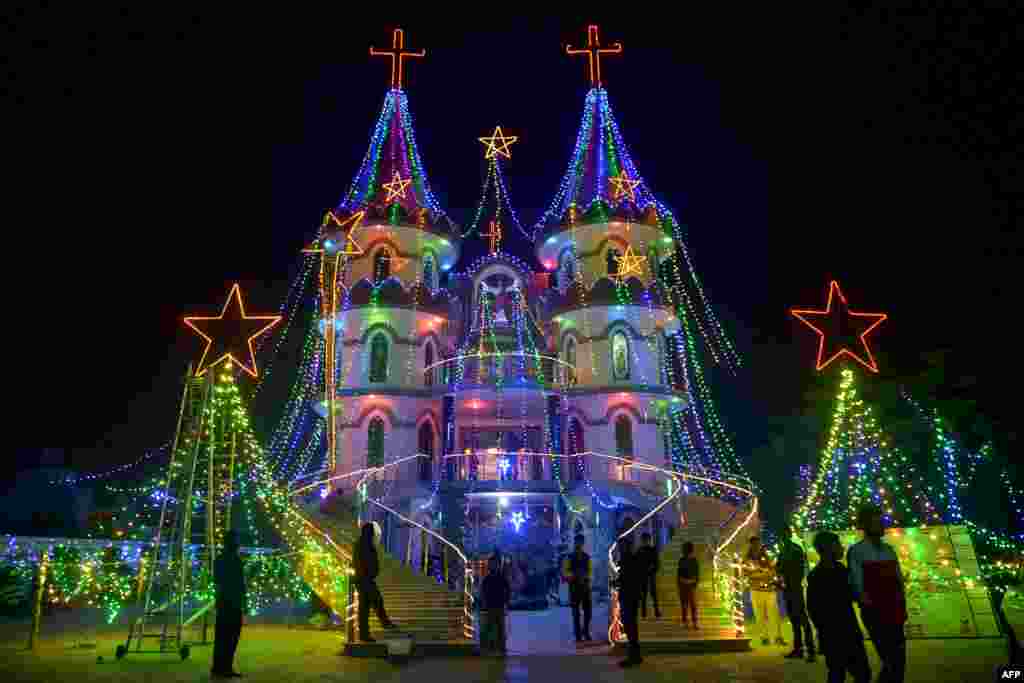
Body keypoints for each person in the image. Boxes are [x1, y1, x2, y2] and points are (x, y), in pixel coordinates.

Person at [847, 505, 907, 683]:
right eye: (877, 522)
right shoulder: (857, 551)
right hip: (876, 613)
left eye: (882, 522)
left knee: (899, 661)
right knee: (891, 660)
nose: (882, 526)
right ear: (865, 525)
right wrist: (870, 608)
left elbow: (899, 580)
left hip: (894, 611)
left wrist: (902, 606)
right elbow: (858, 586)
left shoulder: (889, 550)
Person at [807, 531, 871, 683]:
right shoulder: (820, 575)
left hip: (839, 632)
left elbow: (813, 609)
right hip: (839, 632)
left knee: (840, 673)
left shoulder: (837, 570)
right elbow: (814, 609)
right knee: (851, 673)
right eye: (838, 545)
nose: (842, 548)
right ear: (828, 548)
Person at [777, 524, 816, 662]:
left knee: (802, 618)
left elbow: (799, 568)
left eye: (784, 534)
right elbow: (779, 568)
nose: (782, 537)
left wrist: (791, 580)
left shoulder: (795, 549)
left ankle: (810, 649)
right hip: (788, 587)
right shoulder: (784, 550)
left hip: (794, 587)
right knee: (794, 619)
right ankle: (798, 648)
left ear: (788, 534)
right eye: (781, 535)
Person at [353, 522, 397, 642]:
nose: (374, 534)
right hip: (365, 579)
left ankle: (365, 633)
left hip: (363, 578)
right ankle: (384, 623)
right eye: (372, 531)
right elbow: (365, 562)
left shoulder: (362, 543)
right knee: (375, 601)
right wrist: (372, 572)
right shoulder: (364, 544)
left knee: (366, 606)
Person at [212, 530, 245, 679]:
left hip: (224, 602)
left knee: (221, 637)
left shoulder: (219, 560)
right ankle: (225, 667)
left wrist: (218, 600)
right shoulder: (236, 560)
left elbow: (217, 583)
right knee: (231, 637)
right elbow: (240, 584)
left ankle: (218, 667)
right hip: (233, 603)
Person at [746, 536, 785, 647]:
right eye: (755, 545)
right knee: (759, 615)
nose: (757, 547)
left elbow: (773, 571)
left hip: (769, 590)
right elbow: (748, 574)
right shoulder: (747, 559)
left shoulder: (767, 558)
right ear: (751, 545)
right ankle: (764, 637)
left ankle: (778, 636)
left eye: (758, 544)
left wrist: (760, 573)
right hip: (756, 590)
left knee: (774, 614)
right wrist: (764, 573)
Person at [615, 517, 643, 667]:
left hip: (628, 597)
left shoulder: (628, 560)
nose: (619, 549)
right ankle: (635, 655)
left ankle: (633, 656)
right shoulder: (631, 559)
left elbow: (627, 579)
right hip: (631, 596)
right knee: (631, 626)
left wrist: (618, 582)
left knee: (630, 626)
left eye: (621, 547)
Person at [562, 533, 593, 642]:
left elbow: (590, 571)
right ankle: (578, 635)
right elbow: (565, 573)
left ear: (583, 543)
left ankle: (586, 631)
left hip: (585, 587)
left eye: (581, 542)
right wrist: (573, 575)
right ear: (574, 543)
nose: (579, 544)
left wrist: (586, 577)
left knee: (588, 612)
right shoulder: (569, 557)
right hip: (574, 587)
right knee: (576, 613)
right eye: (577, 542)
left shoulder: (586, 557)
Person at [480, 556, 510, 655]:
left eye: (495, 564)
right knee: (492, 626)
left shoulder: (499, 577)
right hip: (492, 605)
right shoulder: (489, 578)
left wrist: (506, 602)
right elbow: (484, 591)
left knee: (498, 626)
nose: (494, 566)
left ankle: (497, 647)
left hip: (497, 605)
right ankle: (491, 646)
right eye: (492, 564)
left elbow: (507, 591)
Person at [635, 532, 661, 619]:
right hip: (643, 576)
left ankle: (655, 612)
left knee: (653, 595)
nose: (645, 542)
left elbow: (657, 564)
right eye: (644, 540)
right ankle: (644, 613)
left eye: (646, 540)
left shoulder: (652, 550)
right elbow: (637, 564)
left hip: (650, 575)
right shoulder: (639, 551)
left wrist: (652, 570)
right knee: (644, 595)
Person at [676, 541, 699, 629]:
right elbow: (679, 574)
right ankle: (688, 622)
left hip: (689, 585)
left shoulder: (691, 560)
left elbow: (696, 575)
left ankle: (692, 622)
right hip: (685, 585)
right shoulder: (685, 560)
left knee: (690, 605)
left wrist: (691, 582)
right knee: (685, 605)